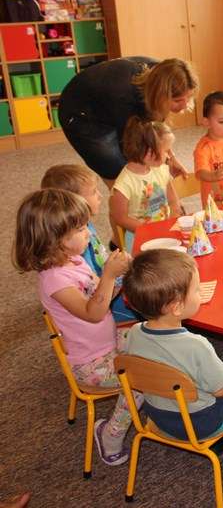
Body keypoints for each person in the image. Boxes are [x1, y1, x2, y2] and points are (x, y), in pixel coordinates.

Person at [13, 189, 138, 466]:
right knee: (142, 378)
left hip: (107, 343)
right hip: (90, 363)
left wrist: (120, 275)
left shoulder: (74, 260)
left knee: (150, 337)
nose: (89, 233)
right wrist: (109, 274)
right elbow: (94, 313)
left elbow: (100, 295)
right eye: (81, 229)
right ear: (55, 240)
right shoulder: (55, 280)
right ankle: (110, 434)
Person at [123, 249, 223, 474]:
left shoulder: (133, 333)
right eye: (197, 290)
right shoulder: (196, 345)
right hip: (201, 423)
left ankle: (221, 439)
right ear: (177, 307)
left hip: (159, 418)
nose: (200, 293)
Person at [59, 57, 197, 187]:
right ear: (159, 94)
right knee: (118, 172)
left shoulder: (165, 74)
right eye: (178, 100)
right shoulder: (124, 98)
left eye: (188, 98)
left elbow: (156, 132)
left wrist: (171, 160)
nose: (185, 105)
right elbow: (133, 148)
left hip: (109, 98)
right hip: (80, 113)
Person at [41, 164, 137, 322]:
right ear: (73, 202)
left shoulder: (81, 232)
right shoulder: (75, 251)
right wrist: (112, 274)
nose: (100, 195)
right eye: (93, 192)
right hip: (104, 302)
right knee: (154, 301)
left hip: (107, 286)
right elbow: (92, 297)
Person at [110, 118, 181, 250]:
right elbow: (120, 218)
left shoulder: (161, 169)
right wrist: (150, 229)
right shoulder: (124, 184)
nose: (169, 156)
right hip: (140, 238)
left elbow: (173, 201)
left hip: (165, 230)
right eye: (166, 151)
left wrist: (172, 220)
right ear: (149, 153)